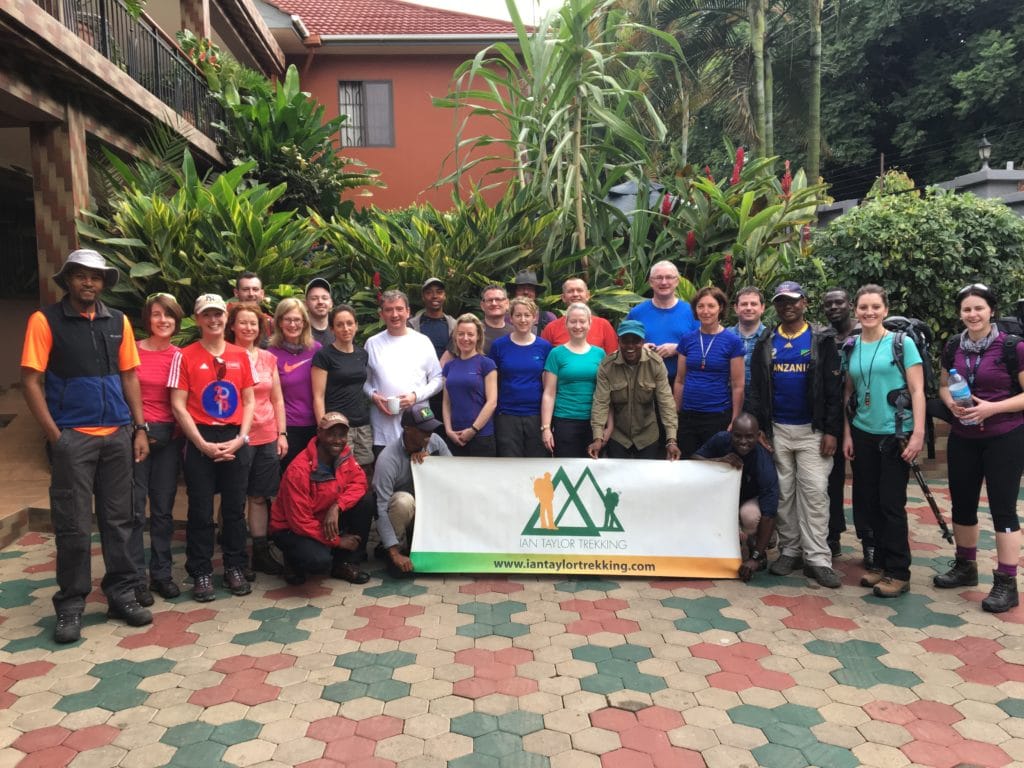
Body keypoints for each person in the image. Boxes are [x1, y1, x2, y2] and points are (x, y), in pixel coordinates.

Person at [21, 249, 153, 643]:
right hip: (72, 438)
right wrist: (55, 436)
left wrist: (139, 428)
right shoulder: (45, 321)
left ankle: (122, 595)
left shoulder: (118, 321)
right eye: (81, 276)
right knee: (74, 525)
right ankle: (71, 606)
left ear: (103, 283)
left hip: (116, 435)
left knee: (120, 521)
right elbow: (31, 381)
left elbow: (130, 376)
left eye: (96, 277)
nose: (89, 283)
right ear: (68, 280)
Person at [932, 283, 1024, 613]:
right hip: (964, 437)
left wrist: (991, 409)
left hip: (1005, 435)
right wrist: (951, 404)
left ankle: (1006, 582)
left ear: (991, 311)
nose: (972, 314)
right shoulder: (954, 345)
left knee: (1003, 509)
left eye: (978, 308)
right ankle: (965, 566)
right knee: (963, 505)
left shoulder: (1012, 346)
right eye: (967, 309)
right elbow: (944, 385)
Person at [747, 281, 843, 589]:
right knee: (784, 494)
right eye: (781, 301)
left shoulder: (821, 340)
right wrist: (761, 429)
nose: (787, 306)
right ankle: (790, 551)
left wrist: (831, 430)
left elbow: (833, 390)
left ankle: (818, 558)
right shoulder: (767, 340)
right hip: (778, 431)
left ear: (804, 302)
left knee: (814, 492)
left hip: (812, 431)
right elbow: (758, 390)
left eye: (793, 300)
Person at [169, 294, 255, 602]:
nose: (214, 320)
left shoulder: (240, 355)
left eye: (218, 314)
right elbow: (178, 404)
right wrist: (201, 444)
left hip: (234, 436)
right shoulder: (186, 355)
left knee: (234, 509)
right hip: (200, 437)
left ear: (226, 318)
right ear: (198, 318)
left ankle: (234, 566)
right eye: (207, 315)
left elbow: (248, 400)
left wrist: (241, 437)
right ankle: (201, 572)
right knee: (201, 510)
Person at [842, 284, 925, 598]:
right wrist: (848, 433)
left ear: (885, 310)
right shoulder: (851, 345)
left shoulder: (901, 344)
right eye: (863, 307)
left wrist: (917, 434)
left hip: (896, 434)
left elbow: (918, 391)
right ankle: (879, 564)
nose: (869, 312)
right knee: (868, 501)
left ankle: (898, 571)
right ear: (856, 311)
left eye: (875, 307)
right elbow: (848, 393)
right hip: (863, 432)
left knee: (891, 504)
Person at [270, 412, 373, 585]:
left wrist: (338, 506)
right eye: (331, 434)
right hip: (292, 529)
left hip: (325, 518)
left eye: (342, 435)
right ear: (319, 433)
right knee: (318, 562)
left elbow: (359, 483)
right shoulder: (299, 469)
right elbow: (300, 522)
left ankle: (345, 563)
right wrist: (338, 541)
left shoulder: (345, 455)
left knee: (366, 501)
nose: (337, 440)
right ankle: (291, 560)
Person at [131, 292, 185, 603]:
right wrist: (139, 430)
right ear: (147, 319)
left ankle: (161, 574)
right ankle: (136, 577)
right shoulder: (132, 352)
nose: (162, 320)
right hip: (137, 437)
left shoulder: (180, 355)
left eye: (168, 315)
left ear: (176, 320)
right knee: (136, 510)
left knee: (163, 511)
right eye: (156, 314)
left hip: (169, 440)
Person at [228, 301, 288, 577]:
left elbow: (277, 399)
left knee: (260, 496)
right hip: (236, 436)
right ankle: (236, 557)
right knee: (235, 496)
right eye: (243, 322)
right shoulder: (225, 356)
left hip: (266, 434)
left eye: (253, 323)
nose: (248, 327)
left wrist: (282, 433)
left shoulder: (268, 358)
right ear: (233, 326)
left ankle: (260, 553)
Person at [694, 413, 779, 582]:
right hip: (722, 499)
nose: (743, 441)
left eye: (749, 437)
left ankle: (757, 546)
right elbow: (694, 459)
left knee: (751, 516)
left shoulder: (764, 462)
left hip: (748, 501)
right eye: (738, 436)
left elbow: (770, 513)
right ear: (731, 433)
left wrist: (754, 559)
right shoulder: (720, 439)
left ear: (758, 436)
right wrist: (719, 461)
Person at [374, 403, 452, 578]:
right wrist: (393, 552)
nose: (429, 434)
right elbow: (380, 507)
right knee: (403, 501)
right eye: (424, 430)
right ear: (408, 429)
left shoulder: (435, 442)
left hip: (430, 510)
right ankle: (395, 549)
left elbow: (453, 477)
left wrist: (433, 465)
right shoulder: (388, 459)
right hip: (404, 515)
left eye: (431, 428)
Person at [588, 319, 680, 460]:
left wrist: (671, 439)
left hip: (647, 436)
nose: (630, 346)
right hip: (618, 436)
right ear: (619, 341)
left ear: (642, 342)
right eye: (625, 341)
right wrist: (598, 438)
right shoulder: (607, 366)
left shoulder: (655, 363)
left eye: (635, 341)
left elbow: (666, 402)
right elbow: (600, 403)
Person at [364, 290, 443, 452]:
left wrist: (415, 396)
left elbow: (438, 379)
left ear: (408, 312)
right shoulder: (372, 344)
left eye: (399, 309)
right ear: (381, 314)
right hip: (383, 430)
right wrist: (373, 395)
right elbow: (363, 381)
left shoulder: (422, 342)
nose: (395, 314)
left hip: (418, 428)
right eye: (389, 309)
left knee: (418, 475)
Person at [822, 287, 868, 561]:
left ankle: (869, 539)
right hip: (833, 418)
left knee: (865, 482)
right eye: (829, 304)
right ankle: (832, 534)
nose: (834, 308)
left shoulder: (865, 332)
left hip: (865, 416)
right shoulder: (824, 337)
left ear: (850, 304)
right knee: (831, 480)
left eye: (839, 302)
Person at [673, 286, 745, 456]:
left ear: (720, 308)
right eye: (701, 306)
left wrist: (735, 419)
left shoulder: (732, 342)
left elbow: (738, 385)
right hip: (689, 415)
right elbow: (680, 380)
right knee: (688, 465)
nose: (705, 311)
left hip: (717, 415)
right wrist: (675, 415)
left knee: (714, 466)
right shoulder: (687, 339)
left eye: (711, 306)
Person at [311, 305, 374, 471]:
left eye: (349, 323)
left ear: (356, 325)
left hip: (362, 423)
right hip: (337, 426)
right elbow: (318, 396)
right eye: (339, 325)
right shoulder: (324, 356)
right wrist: (323, 429)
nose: (345, 328)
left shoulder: (362, 354)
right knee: (342, 470)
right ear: (332, 329)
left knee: (365, 470)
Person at [489, 297, 553, 457]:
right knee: (510, 464)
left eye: (527, 315)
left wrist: (547, 425)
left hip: (536, 415)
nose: (523, 319)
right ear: (511, 318)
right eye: (518, 315)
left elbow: (549, 387)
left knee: (536, 467)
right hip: (507, 415)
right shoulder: (499, 346)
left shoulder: (544, 347)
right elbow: (492, 381)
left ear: (535, 318)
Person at [541, 303, 607, 457]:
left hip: (594, 422)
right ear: (566, 323)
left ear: (590, 323)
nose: (578, 326)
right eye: (573, 321)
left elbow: (606, 393)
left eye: (582, 321)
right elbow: (549, 393)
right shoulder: (556, 354)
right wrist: (546, 428)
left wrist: (608, 426)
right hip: (565, 420)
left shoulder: (600, 354)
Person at [268, 298, 321, 470]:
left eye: (297, 320)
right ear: (279, 322)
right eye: (288, 319)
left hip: (315, 425)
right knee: (291, 477)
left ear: (304, 322)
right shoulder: (270, 353)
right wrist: (280, 433)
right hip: (288, 426)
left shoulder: (316, 349)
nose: (293, 324)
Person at [626, 261, 697, 382]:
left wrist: (678, 348)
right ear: (650, 282)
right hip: (644, 383)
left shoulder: (692, 312)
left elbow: (703, 347)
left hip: (682, 383)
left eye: (669, 277)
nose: (664, 282)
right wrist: (640, 349)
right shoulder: (636, 313)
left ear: (677, 281)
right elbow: (624, 347)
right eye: (658, 278)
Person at [442, 314, 498, 456]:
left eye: (470, 334)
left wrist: (473, 430)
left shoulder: (487, 364)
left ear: (478, 336)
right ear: (455, 336)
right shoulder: (449, 367)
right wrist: (448, 430)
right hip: (454, 436)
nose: (465, 338)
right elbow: (446, 402)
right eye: (461, 334)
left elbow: (492, 402)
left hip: (481, 436)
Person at [541, 278, 619, 353]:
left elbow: (612, 358)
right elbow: (545, 360)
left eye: (579, 290)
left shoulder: (603, 325)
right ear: (563, 297)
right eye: (570, 291)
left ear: (588, 295)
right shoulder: (551, 328)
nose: (575, 294)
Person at [408, 277, 456, 360]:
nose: (435, 296)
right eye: (429, 292)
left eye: (439, 292)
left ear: (444, 296)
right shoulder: (412, 325)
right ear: (423, 297)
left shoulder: (454, 325)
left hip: (447, 371)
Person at [730, 286, 767, 388]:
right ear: (736, 308)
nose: (749, 308)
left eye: (754, 304)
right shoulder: (725, 336)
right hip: (728, 398)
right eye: (744, 304)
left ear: (762, 308)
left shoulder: (770, 338)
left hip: (760, 400)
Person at [508, 270, 557, 335]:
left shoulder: (548, 318)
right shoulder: (505, 318)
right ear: (515, 292)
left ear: (535, 293)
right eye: (521, 288)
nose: (526, 292)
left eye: (530, 288)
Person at [231, 271, 272, 344]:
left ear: (262, 294)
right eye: (245, 289)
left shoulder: (270, 324)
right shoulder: (226, 319)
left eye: (255, 289)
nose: (251, 294)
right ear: (236, 293)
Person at [479, 284, 513, 354]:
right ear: (482, 305)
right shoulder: (472, 330)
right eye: (489, 300)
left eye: (498, 299)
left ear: (507, 304)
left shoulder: (515, 333)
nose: (494, 303)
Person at [305, 278, 334, 347]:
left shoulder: (339, 330)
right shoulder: (298, 331)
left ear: (331, 303)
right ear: (305, 304)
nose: (320, 302)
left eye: (324, 298)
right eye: (314, 298)